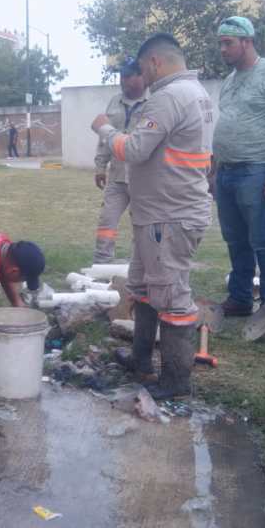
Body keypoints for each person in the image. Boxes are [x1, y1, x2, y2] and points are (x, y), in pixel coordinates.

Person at [91, 33, 214, 400]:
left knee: (173, 297)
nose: (141, 77)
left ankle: (176, 382)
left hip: (169, 217)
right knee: (142, 288)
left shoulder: (170, 97)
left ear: (156, 63)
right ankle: (141, 360)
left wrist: (103, 128)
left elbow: (133, 149)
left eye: (143, 68)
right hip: (158, 214)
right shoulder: (196, 94)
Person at [213, 16, 265, 322]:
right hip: (227, 172)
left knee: (262, 239)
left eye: (228, 43)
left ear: (246, 41)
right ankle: (240, 298)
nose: (222, 49)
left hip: (258, 170)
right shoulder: (229, 80)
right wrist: (214, 171)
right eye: (220, 43)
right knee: (235, 239)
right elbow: (227, 123)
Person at [92, 57, 147, 263]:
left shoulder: (155, 101)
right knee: (107, 222)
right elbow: (105, 136)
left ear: (141, 76)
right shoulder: (114, 101)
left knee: (141, 225)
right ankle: (102, 264)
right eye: (120, 77)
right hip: (116, 175)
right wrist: (100, 166)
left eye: (127, 77)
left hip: (142, 177)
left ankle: (139, 266)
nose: (122, 81)